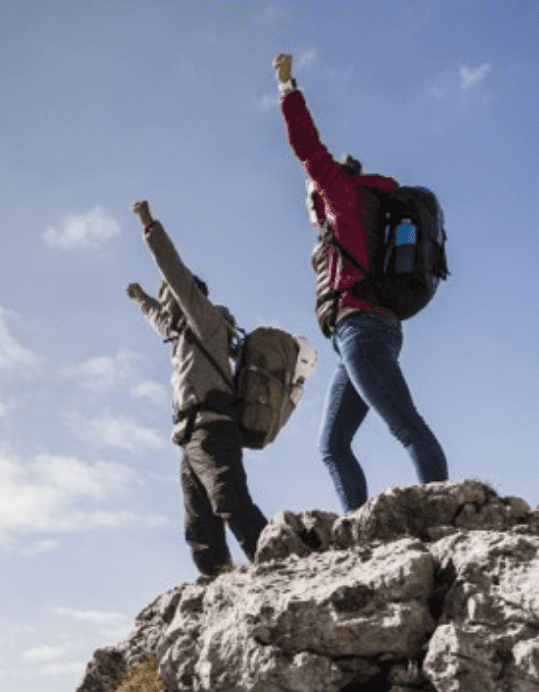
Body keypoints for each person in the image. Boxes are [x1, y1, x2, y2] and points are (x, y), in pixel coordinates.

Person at [273, 52, 449, 513]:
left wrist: (287, 91)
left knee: (405, 424)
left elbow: (308, 149)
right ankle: (357, 531)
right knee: (332, 443)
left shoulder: (342, 199)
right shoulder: (363, 208)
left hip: (363, 331)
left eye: (311, 196)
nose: (309, 206)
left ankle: (445, 515)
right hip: (362, 335)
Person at [125, 199, 268, 581]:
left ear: (187, 298)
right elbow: (160, 319)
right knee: (199, 521)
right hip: (191, 436)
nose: (166, 303)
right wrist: (141, 300)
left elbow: (173, 271)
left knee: (230, 501)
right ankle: (217, 580)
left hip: (212, 427)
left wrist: (148, 224)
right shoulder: (182, 335)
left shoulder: (205, 319)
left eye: (170, 296)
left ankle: (277, 559)